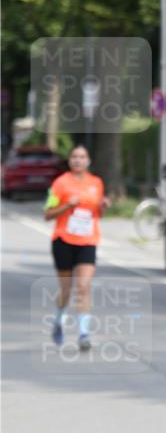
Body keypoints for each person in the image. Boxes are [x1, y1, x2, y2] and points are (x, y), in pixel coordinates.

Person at [44, 144, 109, 350]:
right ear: (70, 160)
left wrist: (103, 207)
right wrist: (67, 206)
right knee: (66, 289)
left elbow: (98, 214)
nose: (78, 160)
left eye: (82, 157)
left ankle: (83, 334)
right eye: (74, 157)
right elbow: (47, 214)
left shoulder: (96, 183)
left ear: (88, 161)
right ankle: (58, 320)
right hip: (63, 240)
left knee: (83, 287)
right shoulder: (60, 184)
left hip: (88, 241)